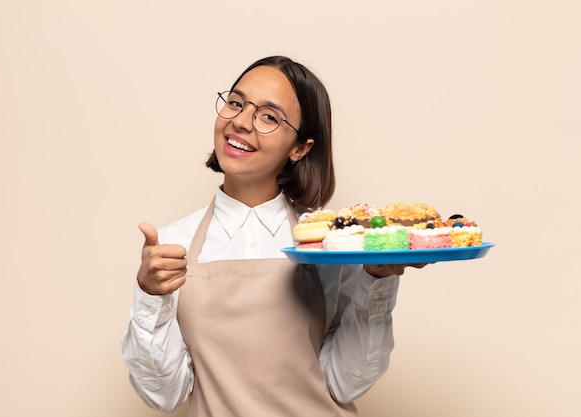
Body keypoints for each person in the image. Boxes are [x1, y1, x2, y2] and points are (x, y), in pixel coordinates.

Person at [122, 55, 422, 417]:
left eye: (268, 116)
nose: (241, 122)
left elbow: (346, 381)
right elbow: (166, 396)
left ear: (301, 148)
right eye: (236, 102)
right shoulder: (173, 244)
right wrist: (149, 296)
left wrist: (378, 280)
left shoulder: (327, 242)